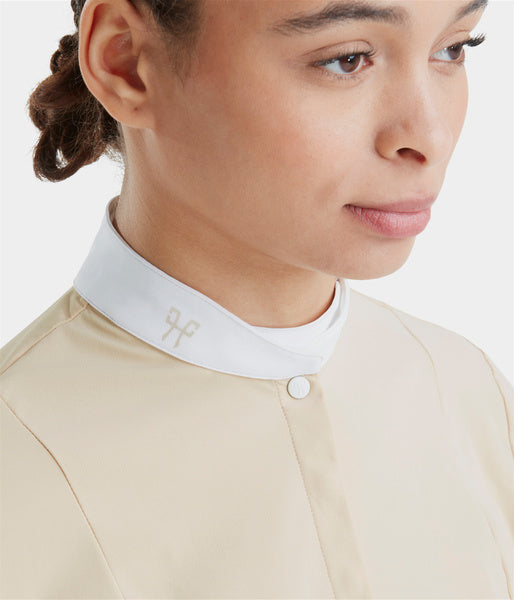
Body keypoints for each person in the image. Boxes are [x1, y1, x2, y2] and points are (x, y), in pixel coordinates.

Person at [1, 0, 512, 597]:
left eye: (453, 49)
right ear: (128, 63)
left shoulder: (469, 390)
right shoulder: (18, 464)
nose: (431, 136)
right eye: (347, 59)